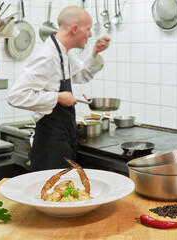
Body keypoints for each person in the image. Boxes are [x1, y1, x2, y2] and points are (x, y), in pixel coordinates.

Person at [8, 5, 111, 171]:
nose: (90, 34)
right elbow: (16, 96)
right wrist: (57, 97)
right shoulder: (47, 56)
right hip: (49, 145)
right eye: (88, 29)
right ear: (75, 28)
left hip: (63, 139)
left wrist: (95, 52)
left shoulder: (63, 54)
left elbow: (83, 74)